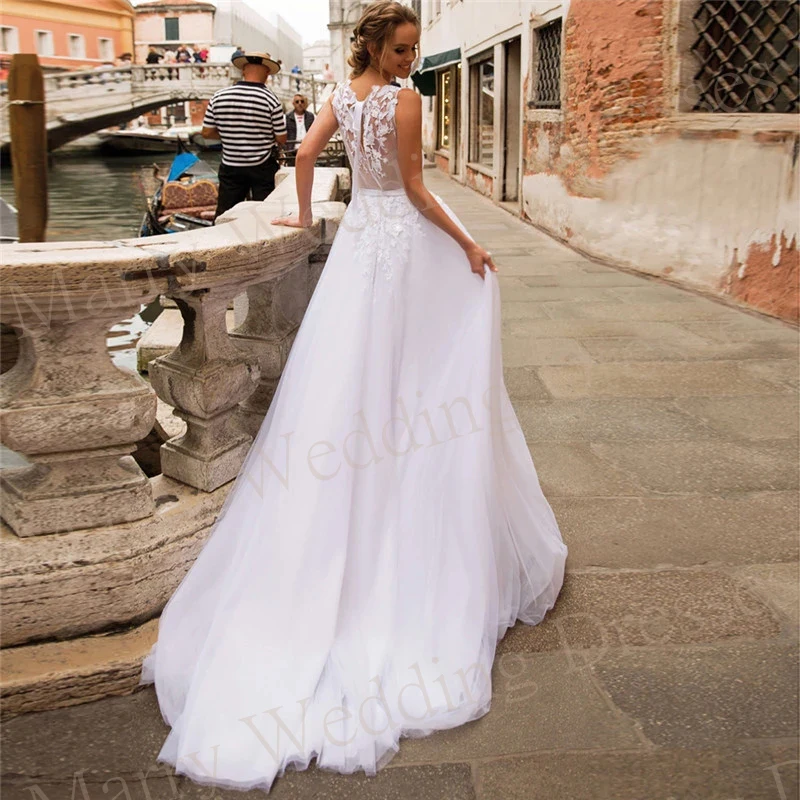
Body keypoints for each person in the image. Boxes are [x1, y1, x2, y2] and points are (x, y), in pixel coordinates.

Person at [140, 1, 567, 793]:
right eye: (402, 49)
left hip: (354, 259)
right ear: (378, 44)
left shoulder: (341, 92)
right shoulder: (403, 102)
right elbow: (413, 188)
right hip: (397, 252)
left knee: (341, 387)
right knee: (403, 380)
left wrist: (303, 220)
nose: (410, 61)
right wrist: (470, 241)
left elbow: (302, 157)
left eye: (412, 50)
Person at [200, 52, 287, 219]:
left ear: (243, 70)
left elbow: (207, 133)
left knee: (226, 213)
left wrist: (229, 135)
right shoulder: (271, 100)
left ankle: (223, 241)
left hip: (231, 164)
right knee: (264, 213)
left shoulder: (219, 96)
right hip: (262, 166)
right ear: (267, 73)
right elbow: (281, 138)